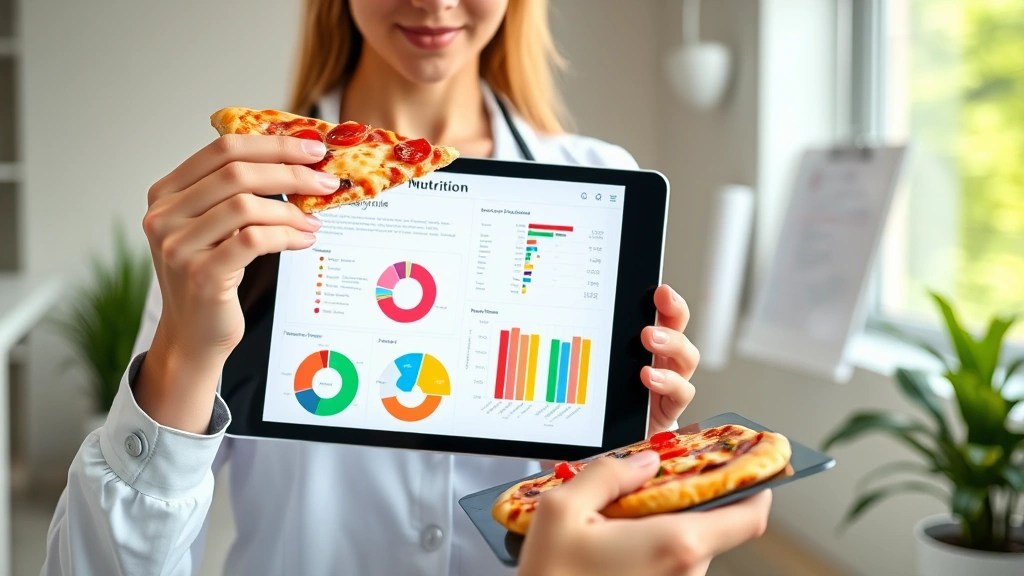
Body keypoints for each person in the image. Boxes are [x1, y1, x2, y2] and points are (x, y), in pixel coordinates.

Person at [41, 0, 772, 574]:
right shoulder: (242, 202)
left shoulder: (597, 180)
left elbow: (601, 529)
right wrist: (184, 355)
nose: (435, 0)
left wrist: (639, 455)